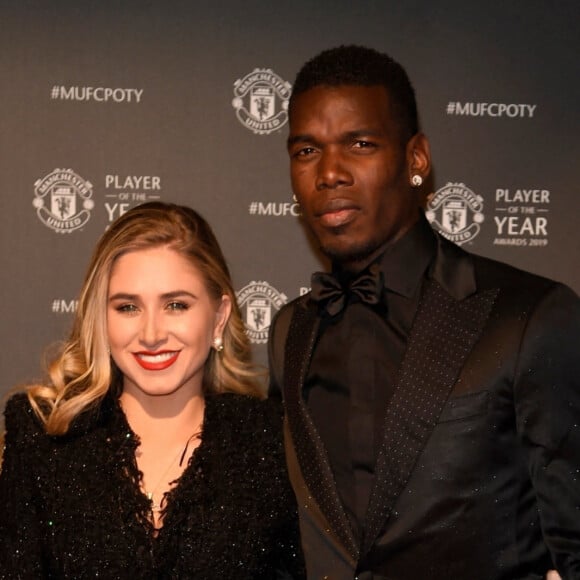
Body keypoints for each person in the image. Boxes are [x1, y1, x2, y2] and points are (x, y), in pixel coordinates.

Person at [268, 45, 580, 579]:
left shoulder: (529, 316)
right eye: (306, 152)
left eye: (360, 144)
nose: (330, 173)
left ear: (416, 159)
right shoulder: (290, 332)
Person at [0, 201, 305, 579]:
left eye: (176, 305)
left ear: (219, 317)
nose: (151, 334)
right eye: (128, 307)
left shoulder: (274, 441)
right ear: (101, 318)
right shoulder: (44, 436)